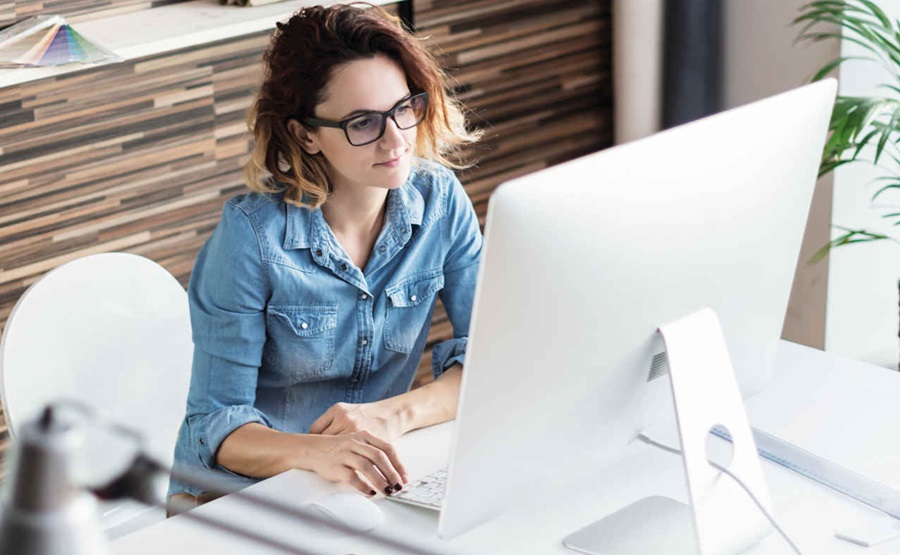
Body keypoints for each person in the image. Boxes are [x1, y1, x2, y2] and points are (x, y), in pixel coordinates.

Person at [166, 2, 483, 514]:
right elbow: (215, 428)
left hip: (367, 484)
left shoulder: (442, 201)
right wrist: (320, 453)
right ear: (304, 134)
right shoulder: (250, 240)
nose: (397, 138)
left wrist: (392, 417)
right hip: (244, 501)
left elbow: (492, 357)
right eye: (362, 122)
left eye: (404, 108)